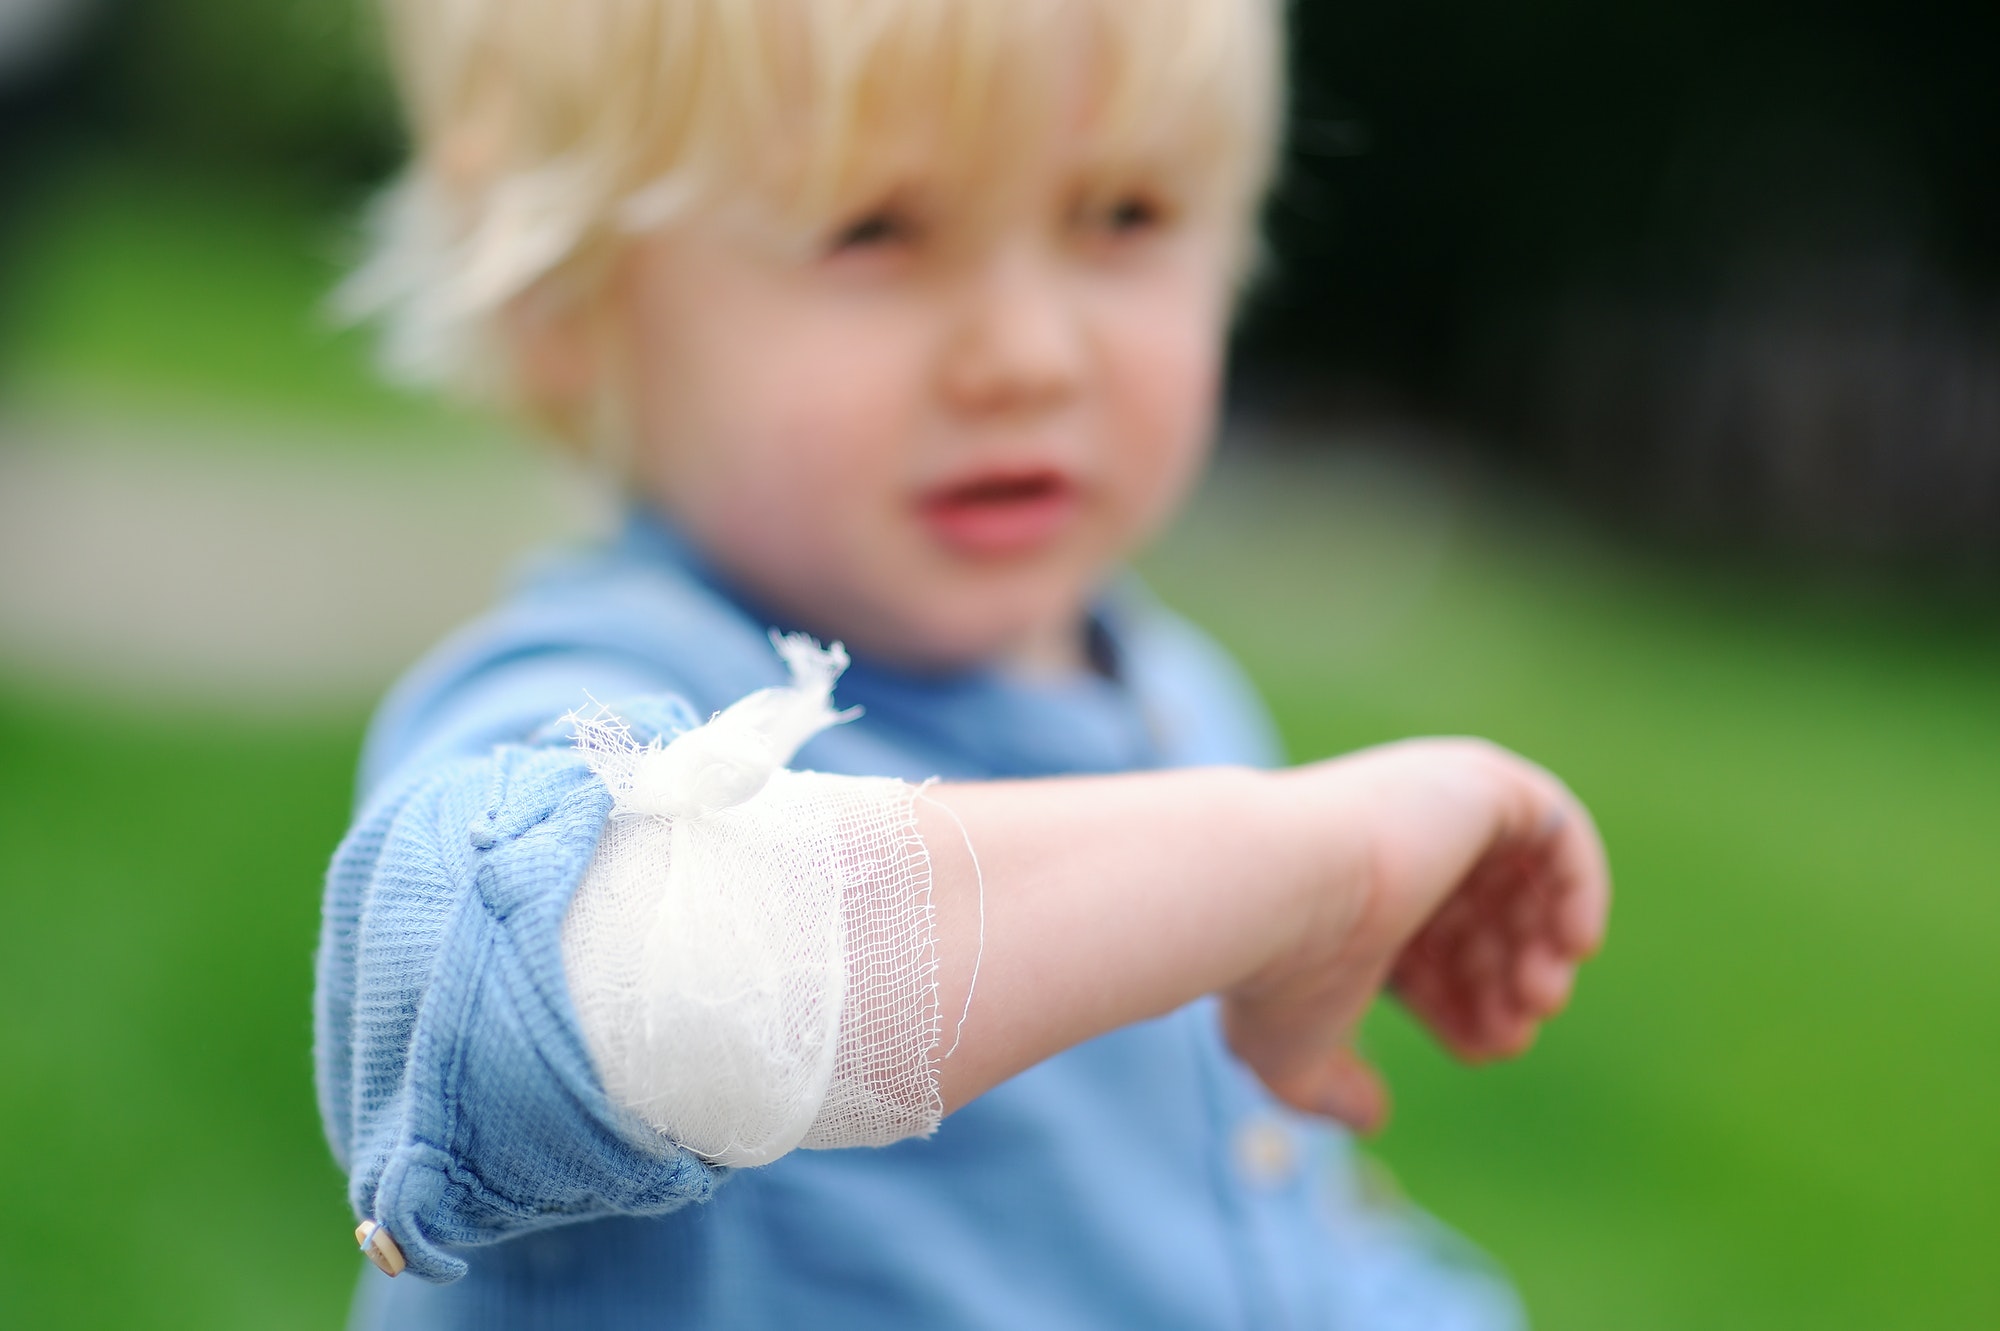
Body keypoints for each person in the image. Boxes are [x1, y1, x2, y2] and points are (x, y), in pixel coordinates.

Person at [316, 1, 1611, 1326]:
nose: (1027, 357)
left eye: (1124, 216)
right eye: (873, 227)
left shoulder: (1176, 697)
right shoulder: (613, 702)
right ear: (561, 300)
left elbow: (1236, 1229)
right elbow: (516, 1021)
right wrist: (1288, 861)